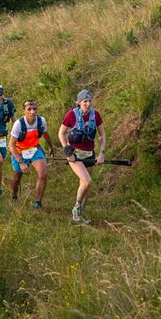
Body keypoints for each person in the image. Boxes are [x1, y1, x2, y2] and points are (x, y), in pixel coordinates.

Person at [58, 89, 106, 225]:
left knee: (86, 186)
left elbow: (102, 135)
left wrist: (102, 153)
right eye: (85, 101)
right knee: (87, 181)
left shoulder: (95, 115)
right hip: (75, 154)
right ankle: (76, 208)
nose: (88, 104)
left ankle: (81, 213)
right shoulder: (71, 115)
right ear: (78, 103)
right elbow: (61, 133)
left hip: (89, 154)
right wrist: (67, 150)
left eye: (90, 101)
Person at [9, 100, 54, 209]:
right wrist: (21, 162)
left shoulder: (41, 121)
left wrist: (52, 148)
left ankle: (38, 202)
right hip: (19, 151)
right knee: (16, 178)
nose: (32, 111)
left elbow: (45, 134)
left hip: (34, 150)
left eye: (34, 109)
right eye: (29, 109)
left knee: (43, 174)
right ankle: (14, 195)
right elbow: (11, 145)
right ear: (24, 111)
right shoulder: (18, 124)